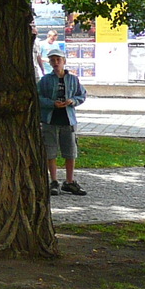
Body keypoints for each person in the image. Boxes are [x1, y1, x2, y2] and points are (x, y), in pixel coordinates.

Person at [39, 50, 89, 196]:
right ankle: (54, 181)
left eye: (58, 59)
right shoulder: (45, 80)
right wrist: (51, 103)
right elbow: (38, 96)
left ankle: (69, 181)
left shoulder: (73, 79)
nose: (55, 63)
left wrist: (72, 101)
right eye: (52, 60)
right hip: (50, 119)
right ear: (49, 63)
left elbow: (82, 95)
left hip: (68, 120)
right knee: (50, 151)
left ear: (64, 61)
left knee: (70, 152)